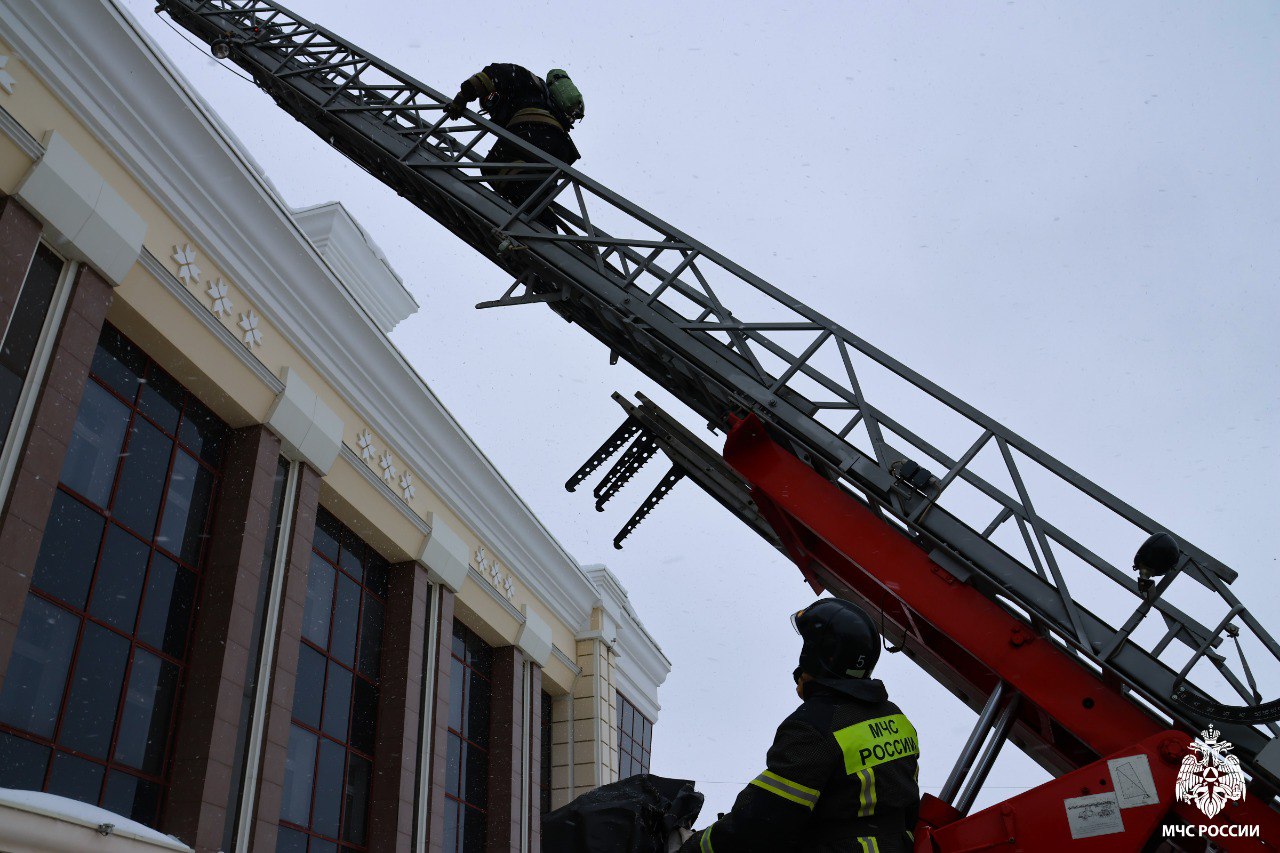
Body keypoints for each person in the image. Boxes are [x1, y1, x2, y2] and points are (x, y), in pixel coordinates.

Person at [680, 598, 921, 853]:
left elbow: (762, 822)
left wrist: (695, 848)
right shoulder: (895, 717)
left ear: (817, 656)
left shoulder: (814, 727)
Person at [444, 64, 584, 220]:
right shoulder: (541, 96)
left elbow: (488, 76)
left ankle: (533, 205)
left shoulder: (518, 76)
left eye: (490, 99)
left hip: (535, 131)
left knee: (494, 166)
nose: (490, 105)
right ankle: (544, 224)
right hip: (558, 149)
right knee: (537, 192)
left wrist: (462, 97)